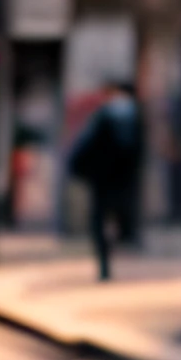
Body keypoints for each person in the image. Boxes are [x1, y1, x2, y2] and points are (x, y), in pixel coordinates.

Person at [66, 77, 145, 279]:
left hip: (102, 178)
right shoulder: (136, 117)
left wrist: (76, 167)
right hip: (124, 180)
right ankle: (120, 244)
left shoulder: (104, 115)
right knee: (119, 218)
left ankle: (105, 265)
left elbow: (85, 145)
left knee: (99, 221)